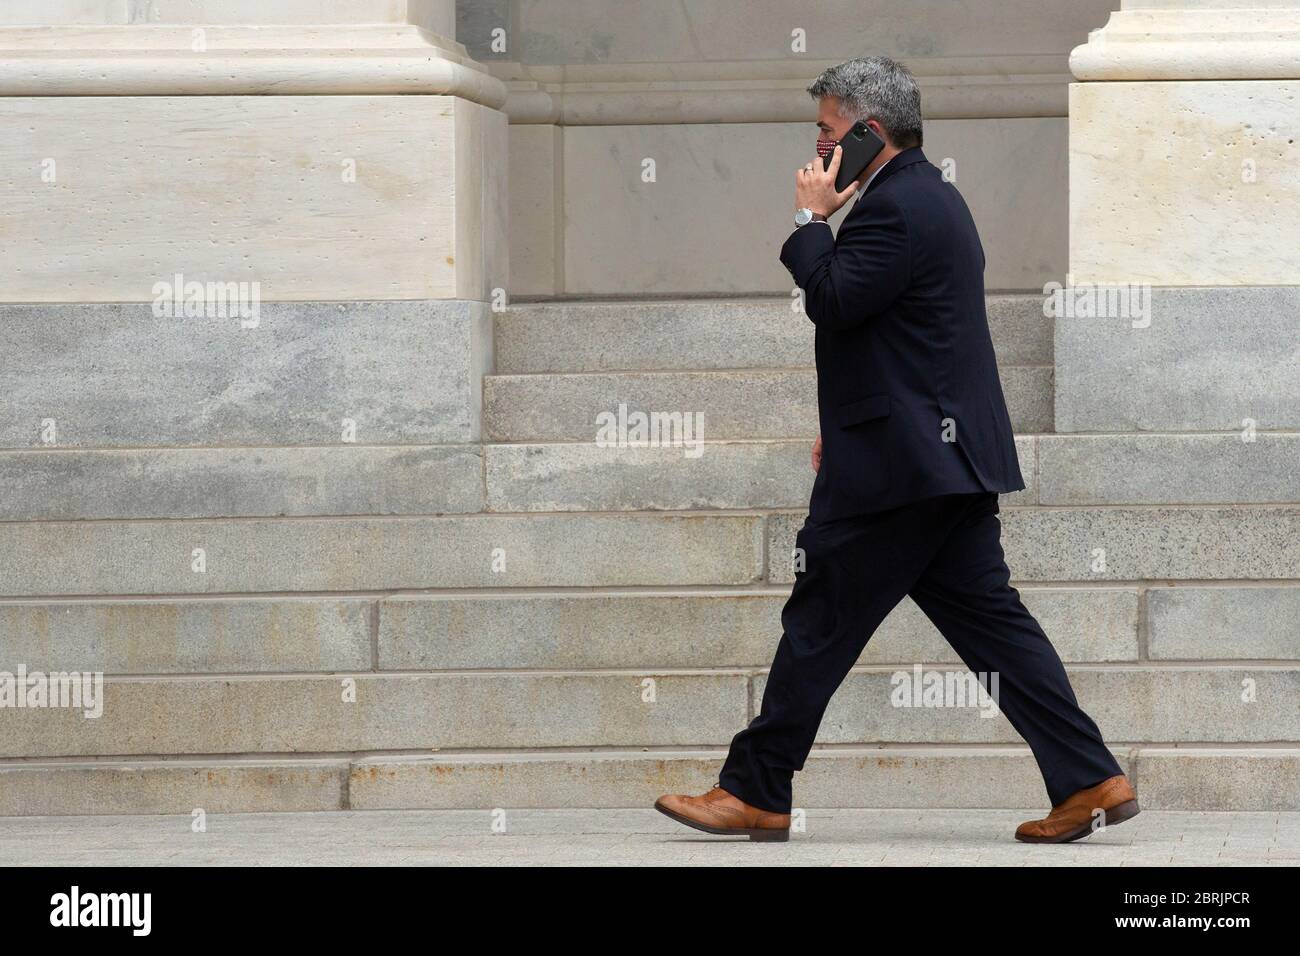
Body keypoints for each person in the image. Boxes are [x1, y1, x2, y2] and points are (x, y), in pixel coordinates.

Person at [654, 56, 1138, 844]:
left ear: (870, 132)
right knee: (995, 630)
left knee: (820, 620)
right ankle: (1089, 776)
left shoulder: (894, 208)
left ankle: (753, 789)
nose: (816, 153)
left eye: (827, 133)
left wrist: (811, 224)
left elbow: (838, 301)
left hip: (902, 472)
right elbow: (906, 335)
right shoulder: (927, 197)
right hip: (934, 459)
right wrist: (843, 417)